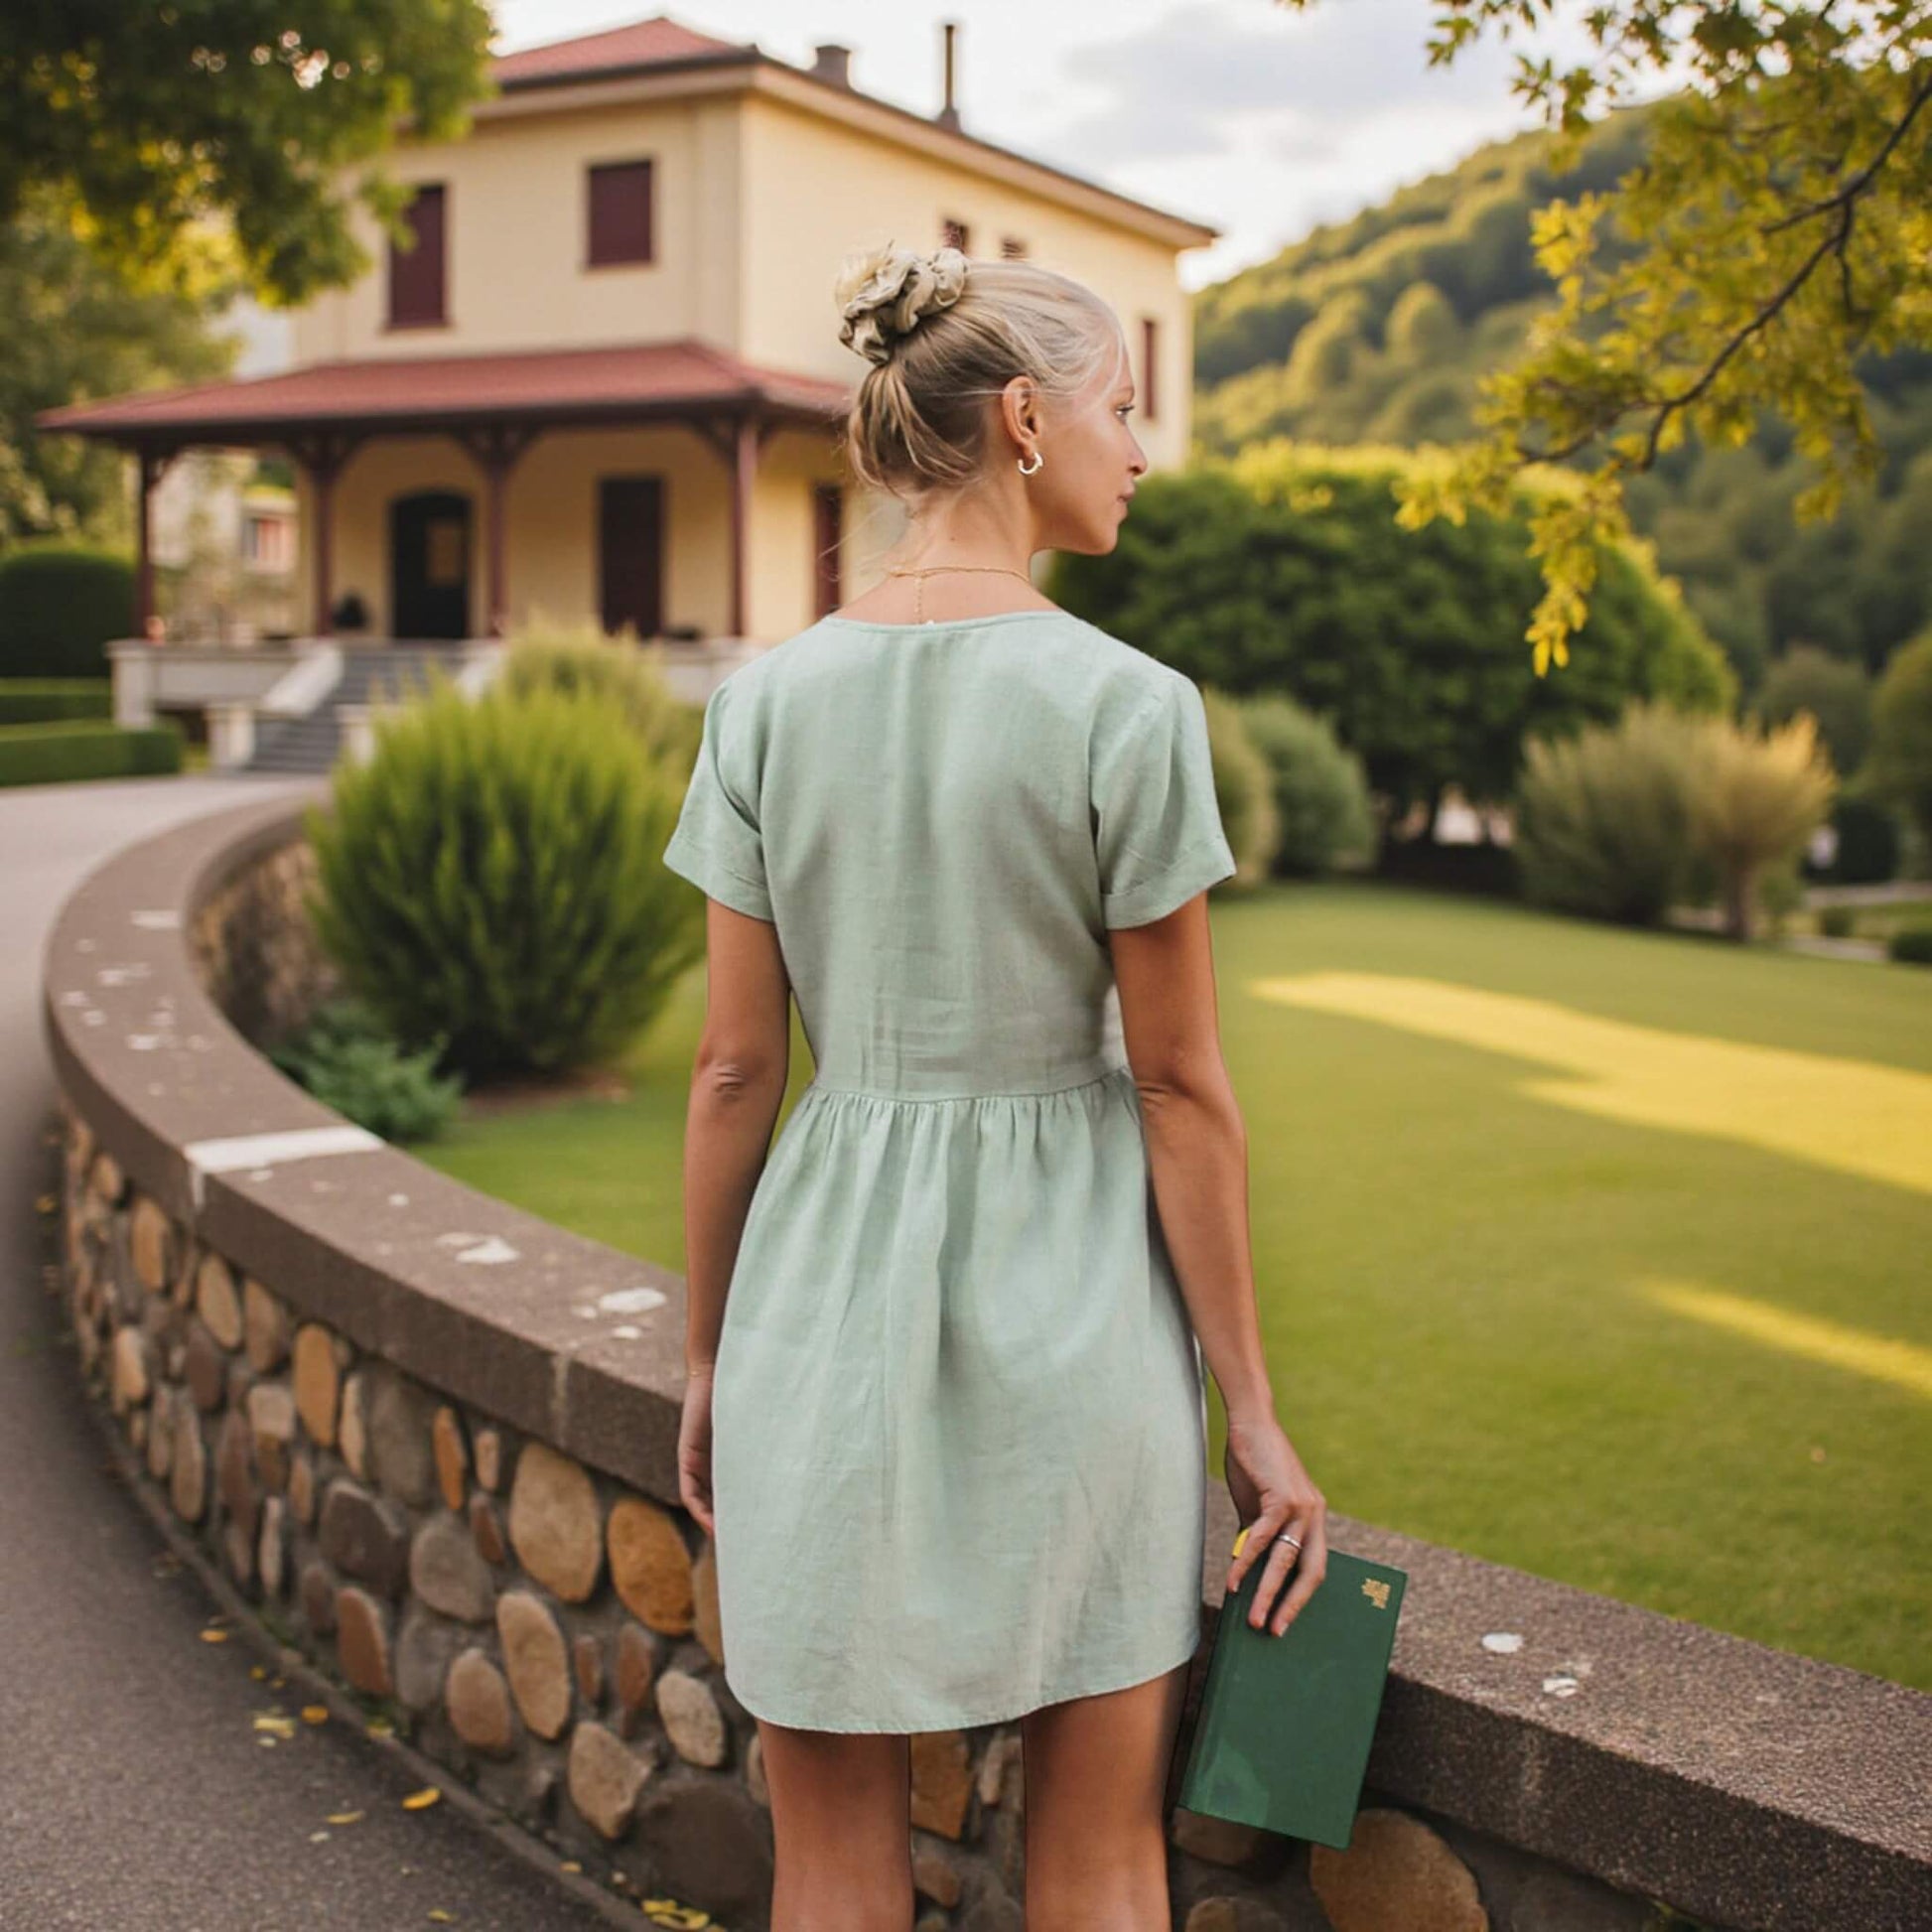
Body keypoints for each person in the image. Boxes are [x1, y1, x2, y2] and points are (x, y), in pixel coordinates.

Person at [660, 238, 1327, 1932]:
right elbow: (1179, 1091)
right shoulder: (1130, 708)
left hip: (812, 1328)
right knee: (1098, 1860)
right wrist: (1249, 1415)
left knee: (827, 1863)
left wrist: (703, 1349)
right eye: (1123, 405)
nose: (1141, 446)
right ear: (1026, 418)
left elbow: (738, 1064)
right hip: (1080, 1330)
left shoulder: (762, 704)